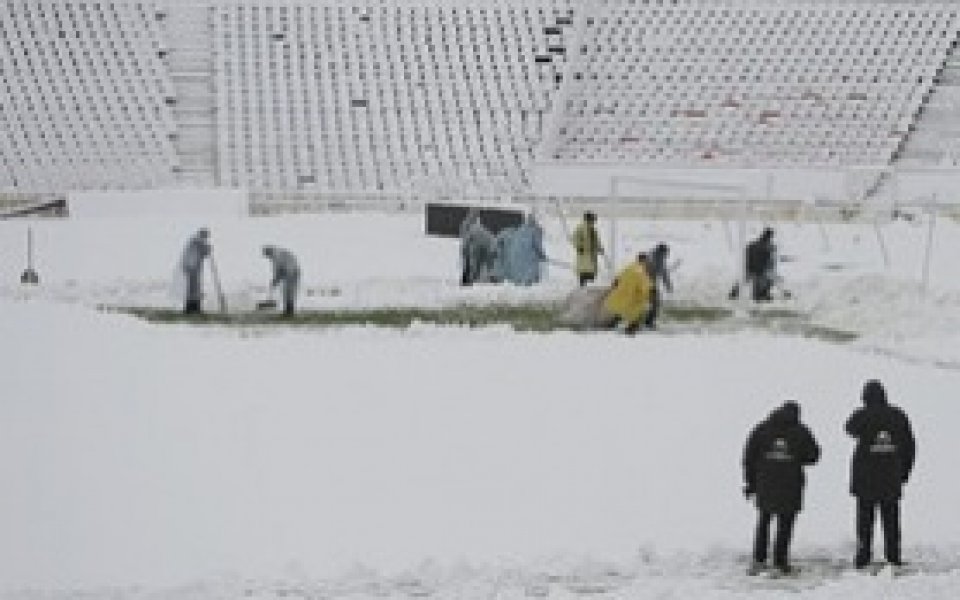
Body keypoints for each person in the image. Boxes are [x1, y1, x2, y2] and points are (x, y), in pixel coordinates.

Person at [742, 401, 820, 575]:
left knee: (764, 520)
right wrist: (796, 457)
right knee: (785, 523)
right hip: (791, 485)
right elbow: (813, 456)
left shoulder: (761, 429)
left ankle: (759, 559)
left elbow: (749, 458)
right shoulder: (801, 431)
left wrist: (750, 484)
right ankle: (780, 561)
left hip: (765, 484)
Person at [845, 379, 916, 569]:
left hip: (865, 479)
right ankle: (893, 556)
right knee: (891, 519)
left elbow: (849, 428)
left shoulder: (862, 415)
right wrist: (904, 472)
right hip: (890, 477)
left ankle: (863, 556)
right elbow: (909, 446)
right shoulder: (898, 416)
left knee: (865, 521)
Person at [600, 252, 653, 334]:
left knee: (620, 311)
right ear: (644, 261)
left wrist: (614, 288)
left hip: (621, 295)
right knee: (638, 313)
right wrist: (648, 296)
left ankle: (611, 324)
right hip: (633, 298)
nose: (648, 262)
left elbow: (617, 279)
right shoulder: (641, 272)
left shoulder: (630, 267)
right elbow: (644, 287)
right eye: (647, 260)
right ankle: (630, 329)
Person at [500, 213, 547, 286]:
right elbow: (537, 246)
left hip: (516, 260)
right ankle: (529, 282)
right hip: (527, 259)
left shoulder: (520, 230)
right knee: (531, 264)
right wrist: (542, 256)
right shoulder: (535, 230)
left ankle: (521, 281)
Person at [459, 211, 498, 286]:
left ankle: (468, 280)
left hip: (476, 244)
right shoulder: (479, 233)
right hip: (477, 244)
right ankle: (469, 280)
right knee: (473, 263)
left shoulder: (473, 230)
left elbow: (469, 256)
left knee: (471, 264)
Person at [179, 227, 211, 314]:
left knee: (194, 288)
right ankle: (193, 308)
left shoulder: (195, 241)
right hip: (192, 267)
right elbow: (203, 251)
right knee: (194, 288)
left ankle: (193, 307)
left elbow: (202, 253)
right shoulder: (197, 241)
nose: (206, 239)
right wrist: (207, 249)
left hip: (192, 267)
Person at [262, 245, 301, 316]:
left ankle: (289, 312)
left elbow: (278, 269)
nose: (268, 257)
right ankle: (288, 310)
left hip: (292, 271)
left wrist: (275, 280)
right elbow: (279, 270)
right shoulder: (278, 254)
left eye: (267, 255)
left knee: (289, 292)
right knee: (287, 292)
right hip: (291, 270)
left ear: (269, 252)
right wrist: (275, 280)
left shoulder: (277, 255)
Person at [644, 243, 673, 328]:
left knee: (651, 303)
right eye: (666, 253)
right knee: (656, 303)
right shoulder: (658, 259)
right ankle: (649, 322)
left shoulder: (651, 255)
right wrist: (668, 284)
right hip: (649, 285)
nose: (667, 255)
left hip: (645, 284)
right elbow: (663, 273)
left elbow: (662, 272)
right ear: (662, 252)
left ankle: (645, 320)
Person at [571, 211, 604, 286]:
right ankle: (583, 286)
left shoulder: (593, 230)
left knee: (590, 273)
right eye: (592, 220)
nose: (594, 222)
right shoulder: (580, 228)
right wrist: (579, 246)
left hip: (591, 254)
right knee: (584, 272)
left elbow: (596, 241)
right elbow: (575, 239)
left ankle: (588, 287)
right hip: (584, 254)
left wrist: (600, 248)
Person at [744, 227, 777, 302]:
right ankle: (761, 295)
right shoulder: (766, 246)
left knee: (759, 283)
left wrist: (748, 268)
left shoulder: (754, 244)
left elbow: (749, 252)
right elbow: (767, 258)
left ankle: (760, 296)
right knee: (764, 282)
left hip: (753, 268)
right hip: (759, 270)